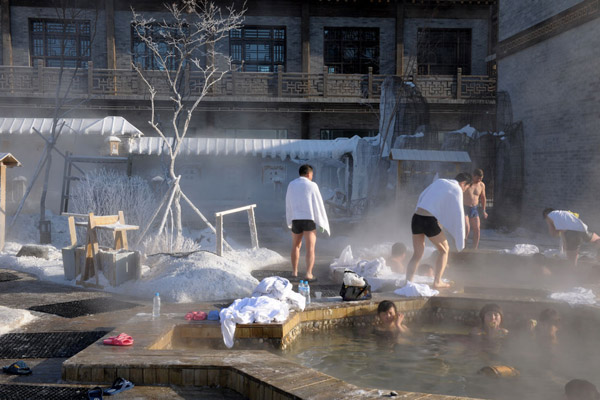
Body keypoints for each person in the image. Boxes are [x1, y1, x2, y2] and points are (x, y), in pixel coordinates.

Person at [404, 173, 472, 288]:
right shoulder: (457, 188)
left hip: (417, 217)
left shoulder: (440, 182)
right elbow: (459, 213)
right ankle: (437, 281)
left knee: (417, 254)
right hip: (428, 220)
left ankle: (408, 282)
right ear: (463, 183)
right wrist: (461, 238)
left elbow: (423, 195)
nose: (464, 191)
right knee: (445, 250)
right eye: (466, 188)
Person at [285, 164, 330, 281]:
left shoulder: (291, 184)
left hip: (296, 219)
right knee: (310, 248)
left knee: (295, 246)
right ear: (308, 174)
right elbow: (318, 204)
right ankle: (308, 274)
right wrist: (321, 222)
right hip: (308, 219)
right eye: (312, 175)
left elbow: (288, 202)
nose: (312, 177)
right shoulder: (312, 185)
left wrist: (290, 218)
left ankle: (294, 272)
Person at [463, 168, 488, 250]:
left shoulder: (481, 185)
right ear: (473, 176)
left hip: (474, 208)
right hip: (465, 207)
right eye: (478, 178)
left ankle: (474, 248)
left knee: (477, 229)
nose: (479, 180)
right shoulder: (467, 184)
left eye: (481, 178)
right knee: (467, 228)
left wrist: (484, 210)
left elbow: (483, 198)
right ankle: (464, 247)